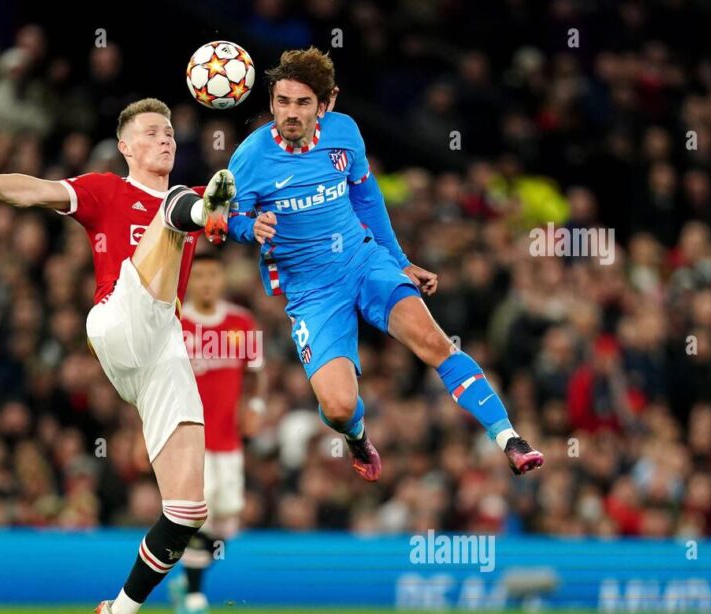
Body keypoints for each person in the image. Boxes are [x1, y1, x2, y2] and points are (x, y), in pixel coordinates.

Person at [0, 98, 235, 614]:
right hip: (116, 320)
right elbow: (31, 190)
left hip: (163, 345)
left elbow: (245, 214)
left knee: (189, 510)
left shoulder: (191, 195)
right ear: (126, 147)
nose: (165, 139)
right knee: (180, 209)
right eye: (152, 132)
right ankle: (195, 214)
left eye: (169, 132)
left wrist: (252, 220)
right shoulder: (106, 191)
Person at [225, 48, 544, 479]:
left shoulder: (345, 132)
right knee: (338, 407)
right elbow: (230, 219)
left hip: (363, 261)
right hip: (312, 291)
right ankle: (356, 435)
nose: (291, 113)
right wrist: (251, 228)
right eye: (282, 101)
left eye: (303, 103)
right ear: (271, 101)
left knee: (434, 343)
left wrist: (400, 261)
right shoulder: (250, 157)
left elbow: (366, 196)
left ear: (326, 103)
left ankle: (509, 438)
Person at [170, 252, 264, 614]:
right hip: (189, 437)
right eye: (200, 276)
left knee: (226, 522)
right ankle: (194, 599)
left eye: (213, 275)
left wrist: (255, 406)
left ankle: (185, 582)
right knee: (200, 513)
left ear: (222, 280)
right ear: (189, 280)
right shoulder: (176, 324)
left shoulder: (242, 322)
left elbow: (256, 373)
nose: (207, 283)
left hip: (229, 440)